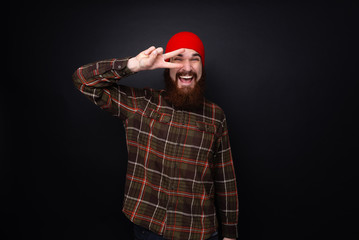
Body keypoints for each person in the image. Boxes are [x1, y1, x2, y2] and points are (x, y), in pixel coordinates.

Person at [72, 32, 239, 240]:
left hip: (199, 232)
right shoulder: (141, 103)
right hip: (149, 231)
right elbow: (83, 80)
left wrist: (230, 234)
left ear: (202, 67)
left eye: (195, 59)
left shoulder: (216, 116)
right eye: (178, 59)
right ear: (166, 65)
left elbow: (225, 179)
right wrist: (134, 65)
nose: (187, 68)